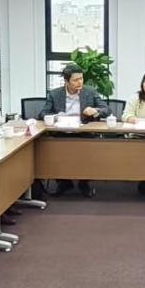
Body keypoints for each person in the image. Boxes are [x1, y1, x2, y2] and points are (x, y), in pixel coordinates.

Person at [40, 64, 110, 197]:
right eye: (76, 80)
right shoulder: (55, 94)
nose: (80, 82)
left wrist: (95, 110)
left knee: (88, 149)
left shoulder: (90, 92)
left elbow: (106, 109)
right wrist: (55, 117)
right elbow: (43, 113)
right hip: (61, 132)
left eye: (81, 78)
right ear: (66, 81)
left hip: (84, 132)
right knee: (53, 148)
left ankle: (84, 183)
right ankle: (64, 182)